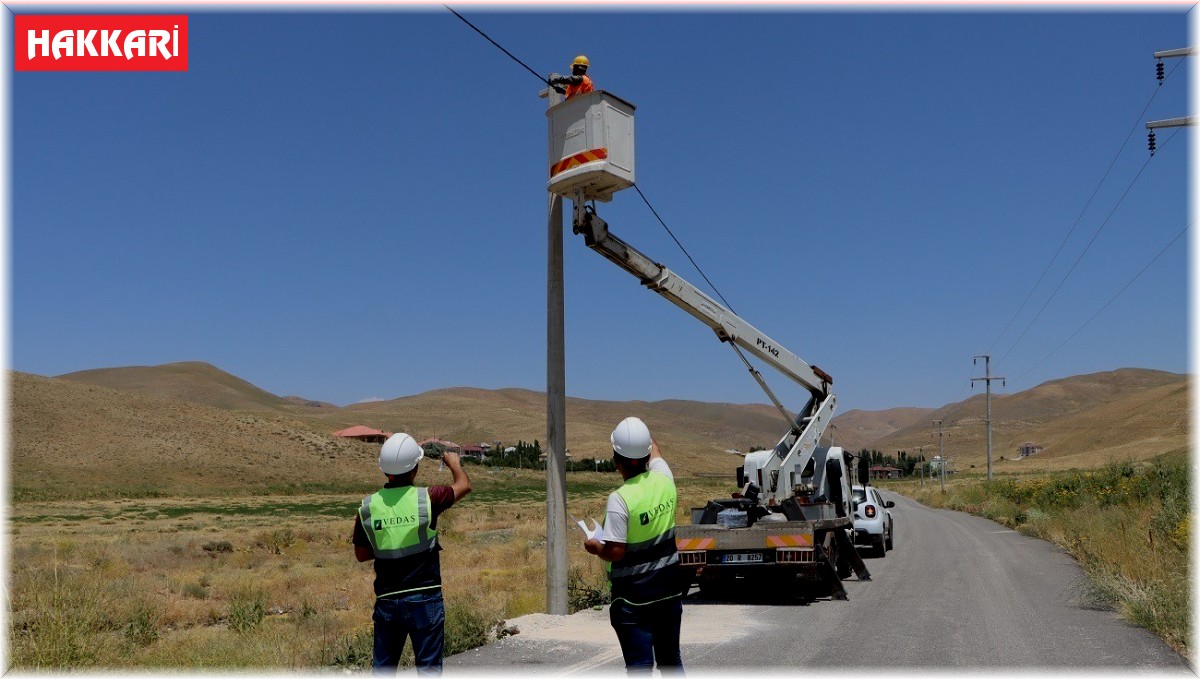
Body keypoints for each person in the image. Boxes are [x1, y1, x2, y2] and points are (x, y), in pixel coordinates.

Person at [353, 433, 471, 675]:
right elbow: (463, 485)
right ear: (415, 468)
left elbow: (362, 554)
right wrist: (455, 465)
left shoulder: (367, 507)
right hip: (425, 599)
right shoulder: (428, 498)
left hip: (387, 601)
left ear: (384, 469)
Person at [584, 417, 683, 675]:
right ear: (648, 452)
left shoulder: (620, 499)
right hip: (669, 593)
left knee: (639, 668)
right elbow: (656, 452)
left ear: (616, 461)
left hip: (633, 601)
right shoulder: (665, 479)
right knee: (672, 661)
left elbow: (616, 551)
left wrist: (594, 546)